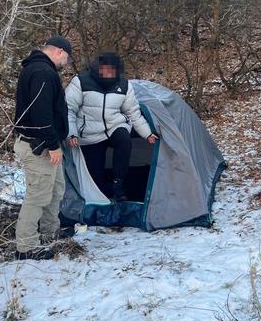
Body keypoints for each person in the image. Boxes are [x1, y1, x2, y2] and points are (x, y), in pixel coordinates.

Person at [13, 36, 74, 260]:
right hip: (38, 147)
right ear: (59, 51)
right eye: (66, 58)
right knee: (38, 196)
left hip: (47, 145)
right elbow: (41, 114)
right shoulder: (42, 72)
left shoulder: (40, 69)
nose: (66, 64)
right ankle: (26, 247)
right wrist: (52, 144)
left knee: (56, 189)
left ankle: (50, 232)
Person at [66, 52, 158, 201]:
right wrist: (72, 133)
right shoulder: (81, 82)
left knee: (124, 138)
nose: (109, 73)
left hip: (114, 126)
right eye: (106, 69)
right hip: (90, 132)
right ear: (98, 68)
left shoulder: (123, 84)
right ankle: (102, 194)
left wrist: (147, 133)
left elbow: (133, 112)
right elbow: (68, 109)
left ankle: (118, 184)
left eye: (113, 70)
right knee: (95, 177)